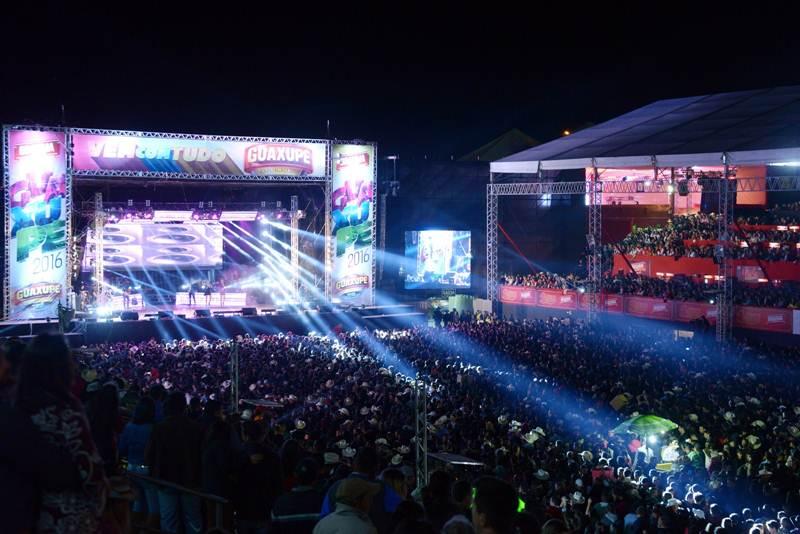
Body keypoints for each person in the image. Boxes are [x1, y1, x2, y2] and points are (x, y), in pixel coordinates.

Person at [15, 333, 108, 533]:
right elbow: (91, 472)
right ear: (60, 368)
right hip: (68, 518)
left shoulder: (14, 407)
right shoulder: (66, 412)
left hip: (26, 513)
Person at [145, 391, 205, 534]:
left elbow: (150, 455)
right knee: (193, 521)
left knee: (169, 521)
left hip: (166, 480)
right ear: (185, 408)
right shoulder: (197, 428)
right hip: (191, 481)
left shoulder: (159, 428)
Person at [320, 447, 402, 534]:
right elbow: (399, 514)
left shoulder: (335, 488)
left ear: (354, 464)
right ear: (377, 466)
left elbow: (324, 516)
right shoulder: (384, 489)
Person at [234, 420, 283, 534]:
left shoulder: (238, 455)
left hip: (243, 510)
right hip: (265, 510)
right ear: (262, 435)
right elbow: (278, 485)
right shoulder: (273, 456)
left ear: (245, 435)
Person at [119, 396, 160, 526]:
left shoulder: (129, 426)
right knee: (154, 509)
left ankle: (133, 530)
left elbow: (122, 448)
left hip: (131, 468)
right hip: (146, 470)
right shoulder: (153, 429)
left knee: (137, 505)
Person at [272, 457, 324, 534]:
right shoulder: (323, 502)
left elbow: (274, 529)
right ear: (316, 477)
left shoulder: (280, 502)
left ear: (295, 475)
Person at [313, 477, 381, 534]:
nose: (371, 501)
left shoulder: (321, 524)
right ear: (358, 500)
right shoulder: (366, 529)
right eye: (369, 497)